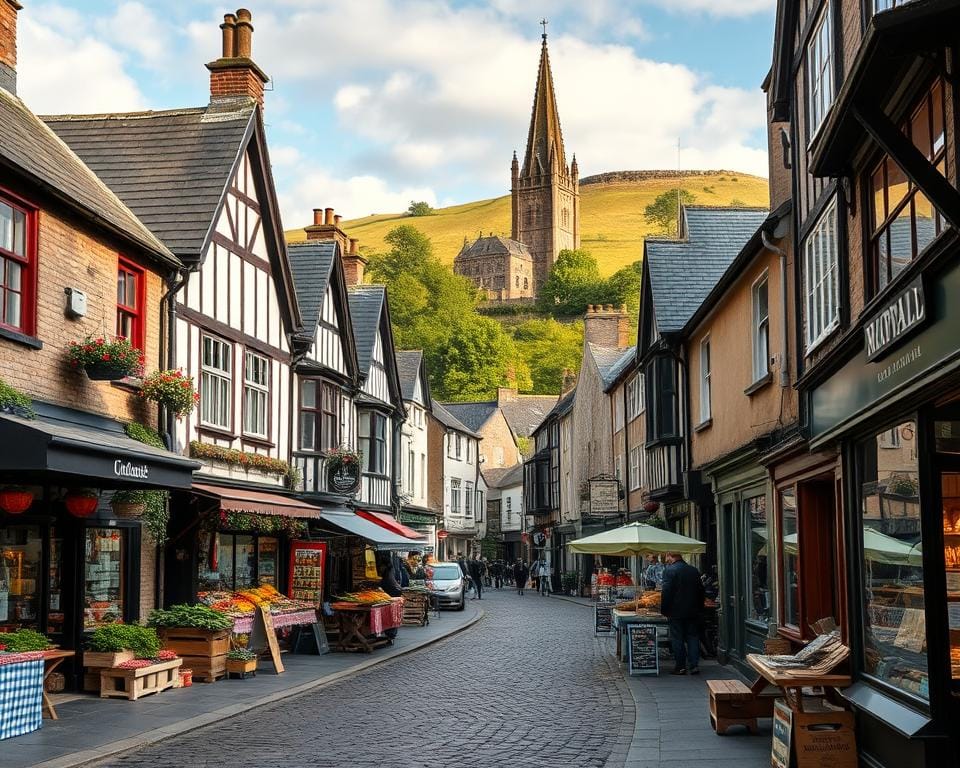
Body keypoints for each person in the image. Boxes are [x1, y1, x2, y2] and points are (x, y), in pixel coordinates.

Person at [660, 552, 705, 675]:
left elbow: (667, 592)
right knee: (693, 637)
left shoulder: (669, 571)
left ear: (670, 556)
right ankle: (694, 665)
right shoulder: (693, 570)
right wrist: (700, 608)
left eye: (667, 557)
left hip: (676, 611)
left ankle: (680, 666)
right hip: (693, 610)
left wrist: (664, 609)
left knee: (677, 638)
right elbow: (701, 591)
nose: (666, 559)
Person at [379, 560, 403, 640]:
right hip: (394, 593)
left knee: (390, 614)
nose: (380, 568)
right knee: (392, 614)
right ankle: (391, 633)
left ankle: (391, 633)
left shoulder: (387, 574)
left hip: (392, 595)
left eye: (381, 566)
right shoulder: (391, 571)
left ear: (385, 566)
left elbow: (385, 583)